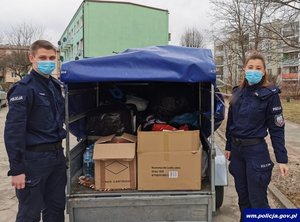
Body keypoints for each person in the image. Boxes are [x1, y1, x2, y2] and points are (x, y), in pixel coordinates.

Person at [4, 40, 67, 222]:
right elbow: (13, 132)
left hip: (56, 157)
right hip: (34, 161)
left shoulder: (55, 87)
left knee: (55, 210)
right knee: (30, 213)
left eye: (52, 58)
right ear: (31, 58)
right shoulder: (24, 88)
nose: (48, 61)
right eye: (43, 58)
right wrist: (17, 169)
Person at [225, 52, 288, 221]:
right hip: (238, 153)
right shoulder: (238, 93)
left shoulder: (270, 95)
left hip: (256, 153)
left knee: (257, 201)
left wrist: (282, 159)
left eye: (258, 68)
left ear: (264, 71)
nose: (254, 71)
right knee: (243, 199)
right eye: (250, 67)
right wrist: (228, 146)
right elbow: (231, 122)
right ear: (244, 69)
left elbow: (277, 129)